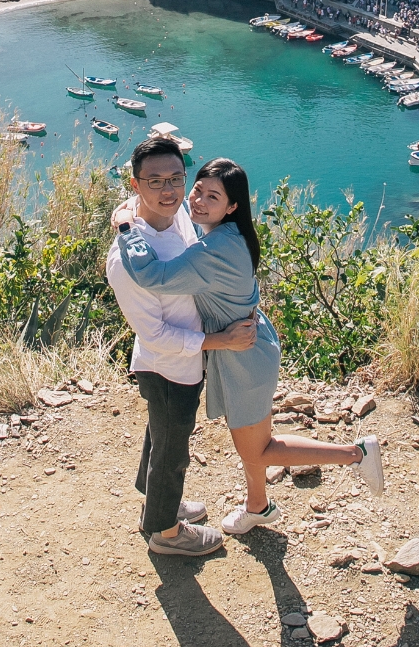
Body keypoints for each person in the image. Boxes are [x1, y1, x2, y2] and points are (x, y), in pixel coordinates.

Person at [117, 158, 384, 539]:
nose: (198, 200)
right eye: (197, 190)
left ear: (233, 206)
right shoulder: (225, 234)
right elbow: (175, 222)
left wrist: (128, 228)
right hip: (247, 346)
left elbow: (151, 276)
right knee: (254, 439)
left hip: (243, 355)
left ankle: (356, 453)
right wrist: (138, 202)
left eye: (213, 196)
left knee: (257, 450)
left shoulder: (214, 249)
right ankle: (258, 506)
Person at [106, 138, 256, 559]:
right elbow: (156, 337)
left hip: (185, 360)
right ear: (136, 184)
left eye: (176, 178)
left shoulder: (177, 219)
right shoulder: (126, 262)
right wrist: (221, 340)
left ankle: (157, 502)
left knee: (162, 435)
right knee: (173, 450)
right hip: (169, 366)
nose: (169, 191)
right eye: (155, 182)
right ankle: (166, 533)